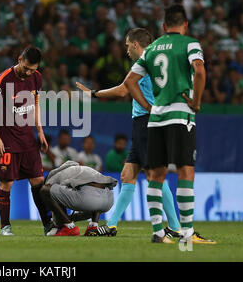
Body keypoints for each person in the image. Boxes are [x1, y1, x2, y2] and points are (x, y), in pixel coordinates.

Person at [77, 28, 181, 238]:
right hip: (145, 123)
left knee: (154, 176)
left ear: (135, 44)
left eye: (127, 45)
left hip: (147, 123)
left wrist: (94, 93)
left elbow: (123, 89)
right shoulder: (157, 60)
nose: (125, 50)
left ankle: (176, 227)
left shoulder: (143, 63)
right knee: (128, 175)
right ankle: (111, 225)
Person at [124, 5, 215, 244]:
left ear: (164, 26)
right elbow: (200, 71)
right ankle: (186, 233)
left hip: (156, 118)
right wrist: (195, 101)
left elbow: (129, 81)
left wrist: (148, 107)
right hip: (180, 115)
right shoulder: (190, 44)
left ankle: (157, 232)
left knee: (155, 175)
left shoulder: (152, 48)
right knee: (186, 171)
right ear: (185, 25)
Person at [0, 46, 54, 236]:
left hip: (27, 138)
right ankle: (5, 227)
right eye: (26, 68)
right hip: (7, 138)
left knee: (38, 181)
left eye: (32, 69)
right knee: (6, 183)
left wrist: (40, 131)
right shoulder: (2, 80)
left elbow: (35, 105)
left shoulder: (37, 77)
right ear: (19, 59)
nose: (28, 73)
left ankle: (47, 224)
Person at [39, 161, 117, 236]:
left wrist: (60, 223)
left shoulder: (52, 178)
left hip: (89, 199)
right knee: (92, 190)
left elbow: (54, 201)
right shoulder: (83, 169)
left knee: (44, 190)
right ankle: (93, 225)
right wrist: (70, 218)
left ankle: (69, 227)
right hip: (109, 199)